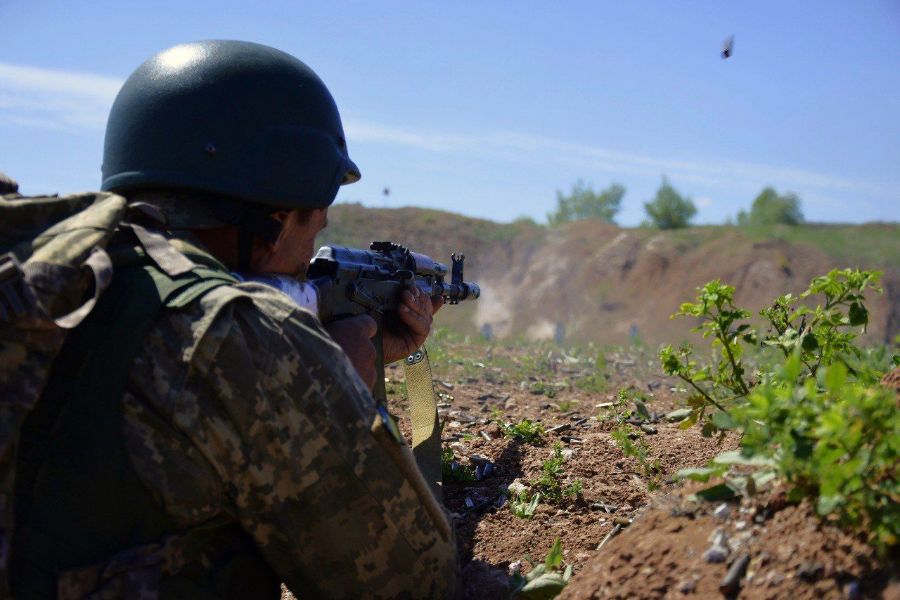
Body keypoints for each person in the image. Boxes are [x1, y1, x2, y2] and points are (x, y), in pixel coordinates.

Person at [10, 40, 459, 599]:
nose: (309, 254)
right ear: (274, 214)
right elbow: (413, 582)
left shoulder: (44, 270)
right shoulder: (242, 337)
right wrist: (336, 382)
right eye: (315, 229)